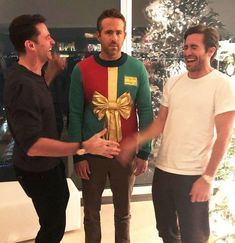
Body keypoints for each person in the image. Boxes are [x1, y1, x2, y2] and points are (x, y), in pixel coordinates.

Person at [4, 14, 120, 243]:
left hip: (48, 164)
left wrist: (52, 73)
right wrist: (85, 147)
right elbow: (34, 146)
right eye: (47, 37)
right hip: (36, 169)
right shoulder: (20, 84)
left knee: (56, 215)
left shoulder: (31, 74)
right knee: (52, 226)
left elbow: (36, 98)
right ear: (30, 45)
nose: (53, 42)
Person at [119, 24, 235, 243]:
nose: (187, 52)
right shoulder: (174, 83)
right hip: (163, 171)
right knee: (166, 231)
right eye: (185, 47)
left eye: (194, 47)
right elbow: (160, 123)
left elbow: (224, 136)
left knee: (194, 236)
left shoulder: (222, 85)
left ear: (210, 51)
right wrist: (136, 140)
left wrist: (208, 177)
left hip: (194, 175)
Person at [68, 8, 153, 243]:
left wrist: (144, 151)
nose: (113, 38)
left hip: (125, 154)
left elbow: (145, 111)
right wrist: (79, 155)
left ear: (125, 35)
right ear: (98, 35)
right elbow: (74, 114)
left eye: (118, 32)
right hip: (92, 154)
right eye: (108, 32)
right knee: (91, 214)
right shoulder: (81, 70)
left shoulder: (137, 69)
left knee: (123, 213)